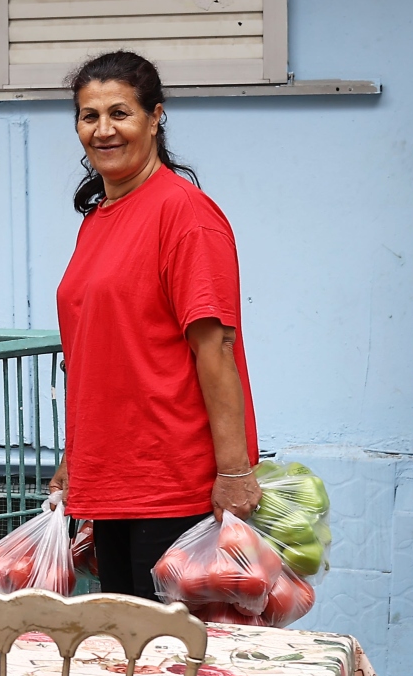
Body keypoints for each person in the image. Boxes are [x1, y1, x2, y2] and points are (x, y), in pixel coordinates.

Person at [50, 50, 260, 598]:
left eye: (120, 113)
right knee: (124, 652)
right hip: (109, 478)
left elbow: (214, 348)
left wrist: (235, 473)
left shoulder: (186, 215)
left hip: (172, 482)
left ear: (155, 116)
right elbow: (95, 352)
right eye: (88, 116)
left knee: (171, 663)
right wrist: (74, 461)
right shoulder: (96, 221)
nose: (103, 130)